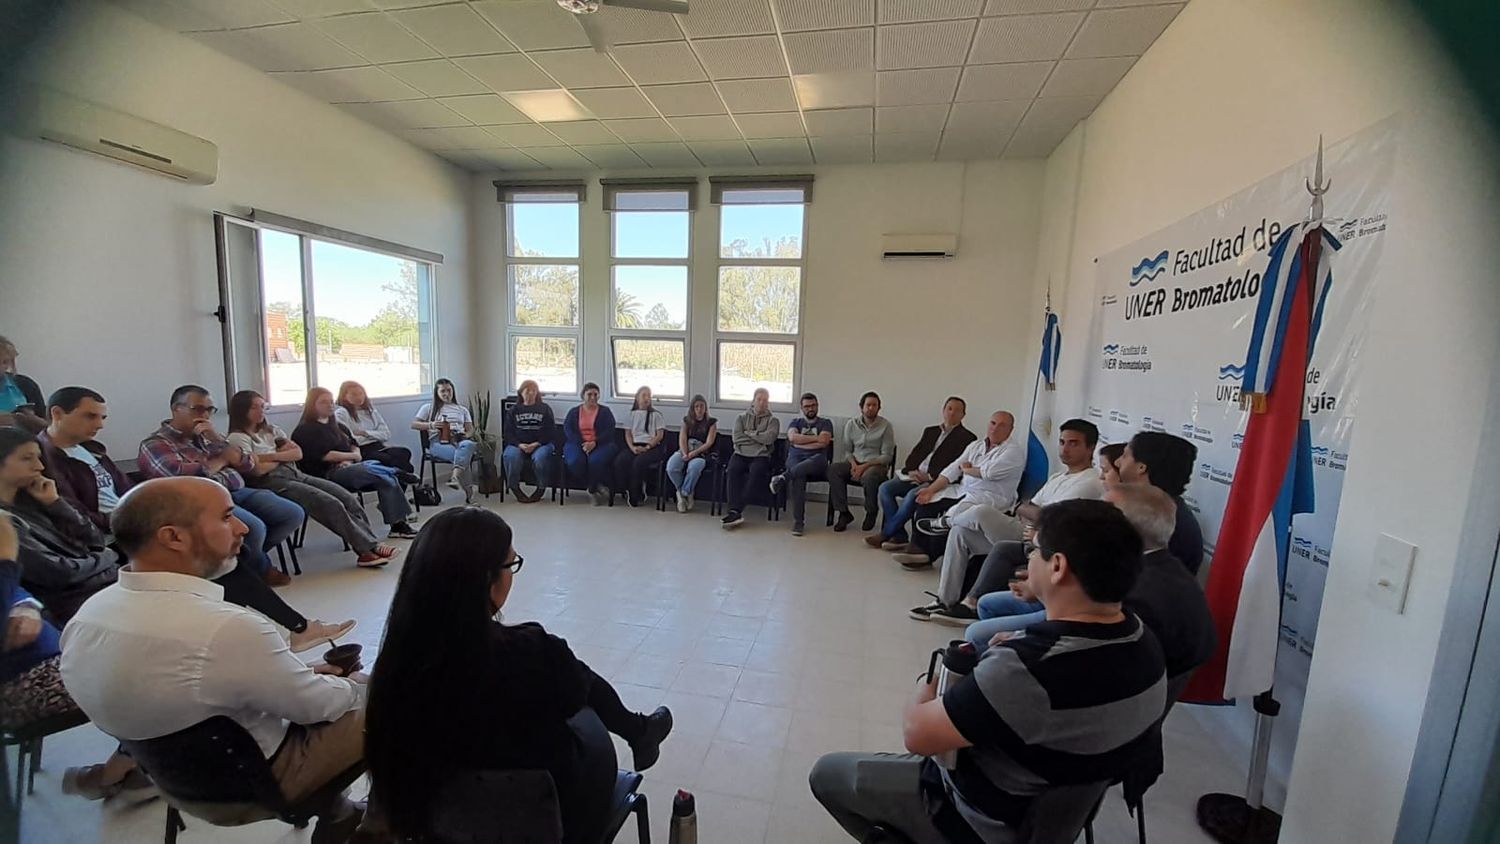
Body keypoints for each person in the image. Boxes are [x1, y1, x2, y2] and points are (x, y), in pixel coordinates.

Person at [809, 499, 1166, 843]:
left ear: (1057, 566)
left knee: (828, 774)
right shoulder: (1145, 642)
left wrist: (927, 685)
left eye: (1035, 550)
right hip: (1054, 816)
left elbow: (917, 736)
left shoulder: (1025, 669)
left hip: (976, 818)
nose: (1028, 560)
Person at [60, 477, 369, 843]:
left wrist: (298, 674)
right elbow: (319, 708)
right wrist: (353, 685)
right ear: (173, 537)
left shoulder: (87, 618)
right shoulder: (225, 628)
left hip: (177, 781)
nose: (242, 528)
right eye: (226, 517)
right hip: (256, 784)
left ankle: (340, 811)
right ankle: (378, 824)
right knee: (407, 696)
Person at [365, 507, 674, 843]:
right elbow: (573, 695)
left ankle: (639, 731)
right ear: (485, 579)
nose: (512, 574)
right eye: (510, 565)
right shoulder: (527, 651)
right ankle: (638, 730)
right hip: (551, 817)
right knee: (578, 693)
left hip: (438, 825)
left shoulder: (394, 665)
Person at [36, 389, 352, 649]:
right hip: (127, 532)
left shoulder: (94, 452)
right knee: (229, 550)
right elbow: (88, 512)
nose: (100, 424)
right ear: (57, 414)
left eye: (102, 417)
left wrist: (218, 444)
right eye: (90, 416)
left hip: (211, 501)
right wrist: (130, 521)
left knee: (263, 531)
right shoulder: (49, 457)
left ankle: (288, 626)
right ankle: (286, 626)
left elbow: (245, 464)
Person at [0, 514, 154, 803]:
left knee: (154, 649)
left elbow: (19, 590)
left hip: (53, 657)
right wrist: (6, 562)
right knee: (149, 671)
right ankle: (126, 769)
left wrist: (27, 606)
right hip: (19, 683)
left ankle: (138, 763)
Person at [915, 418, 1105, 626]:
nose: (1065, 448)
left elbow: (1051, 518)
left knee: (981, 512)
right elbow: (1028, 506)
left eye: (1074, 443)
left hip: (1041, 541)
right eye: (1062, 442)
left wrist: (1030, 512)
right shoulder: (1059, 477)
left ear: (1091, 448)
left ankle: (945, 522)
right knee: (960, 533)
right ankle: (945, 601)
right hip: (1025, 529)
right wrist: (1029, 511)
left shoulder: (1089, 481)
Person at [138, 385, 303, 587]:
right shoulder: (156, 443)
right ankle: (259, 568)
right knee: (253, 528)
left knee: (292, 513)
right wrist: (222, 460)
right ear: (176, 409)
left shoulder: (208, 437)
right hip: (201, 501)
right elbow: (181, 479)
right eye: (198, 409)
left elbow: (248, 463)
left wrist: (218, 441)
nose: (205, 415)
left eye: (210, 410)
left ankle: (242, 562)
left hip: (237, 490)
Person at [227, 391, 399, 568]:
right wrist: (280, 456)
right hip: (271, 482)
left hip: (295, 474)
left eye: (262, 406)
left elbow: (297, 453)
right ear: (242, 410)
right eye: (255, 407)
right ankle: (367, 550)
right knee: (330, 503)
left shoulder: (272, 430)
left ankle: (370, 545)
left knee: (347, 498)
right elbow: (255, 470)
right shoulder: (237, 438)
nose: (261, 411)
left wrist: (266, 457)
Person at [0, 427, 119, 624]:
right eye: (26, 458)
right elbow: (59, 573)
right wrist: (108, 557)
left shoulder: (36, 500)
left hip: (99, 585)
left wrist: (56, 504)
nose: (39, 466)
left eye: (38, 457)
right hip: (69, 605)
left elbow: (95, 538)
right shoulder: (4, 521)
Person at [891, 411, 1025, 570]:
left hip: (990, 496)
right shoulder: (976, 445)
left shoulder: (1013, 452)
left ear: (1011, 429)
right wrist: (930, 490)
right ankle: (918, 549)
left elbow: (988, 473)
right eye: (993, 423)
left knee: (956, 514)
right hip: (963, 490)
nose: (995, 429)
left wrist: (968, 470)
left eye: (1002, 425)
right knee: (926, 502)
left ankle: (930, 554)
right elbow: (953, 469)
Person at [294, 388, 418, 535]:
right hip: (326, 474)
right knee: (373, 469)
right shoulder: (304, 430)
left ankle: (398, 526)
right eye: (323, 402)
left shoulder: (338, 426)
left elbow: (354, 445)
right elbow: (325, 456)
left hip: (350, 468)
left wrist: (353, 458)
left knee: (385, 478)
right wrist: (351, 458)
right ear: (312, 405)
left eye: (331, 401)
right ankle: (397, 471)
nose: (330, 405)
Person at [865, 397, 976, 550]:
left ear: (963, 415)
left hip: (937, 481)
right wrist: (912, 471)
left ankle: (886, 533)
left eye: (957, 410)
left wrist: (929, 476)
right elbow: (913, 456)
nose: (952, 413)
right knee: (885, 488)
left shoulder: (968, 438)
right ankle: (899, 536)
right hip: (915, 476)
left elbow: (954, 468)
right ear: (943, 411)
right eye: (949, 409)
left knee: (912, 495)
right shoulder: (930, 431)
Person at [1114, 431, 1205, 574]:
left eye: (1124, 456)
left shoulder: (1162, 521)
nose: (1117, 462)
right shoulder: (1167, 511)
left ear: (1141, 468)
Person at [828, 392, 896, 533]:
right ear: (861, 407)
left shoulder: (885, 426)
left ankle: (871, 512)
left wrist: (864, 466)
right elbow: (847, 451)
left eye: (874, 405)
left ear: (879, 408)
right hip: (856, 462)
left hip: (876, 465)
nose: (871, 408)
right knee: (833, 469)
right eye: (868, 405)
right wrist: (854, 465)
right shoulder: (851, 424)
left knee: (868, 476)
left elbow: (887, 456)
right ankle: (844, 513)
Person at [768, 392, 833, 536]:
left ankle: (783, 478)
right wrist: (814, 440)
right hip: (796, 459)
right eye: (807, 406)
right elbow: (792, 437)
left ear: (817, 406)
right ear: (802, 408)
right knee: (799, 476)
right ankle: (799, 523)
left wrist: (800, 443)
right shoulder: (795, 422)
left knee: (817, 459)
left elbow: (824, 442)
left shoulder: (825, 423)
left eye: (813, 405)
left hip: (817, 461)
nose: (811, 409)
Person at [722, 388, 777, 530]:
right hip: (740, 453)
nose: (762, 403)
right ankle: (734, 511)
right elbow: (737, 437)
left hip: (760, 455)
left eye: (765, 400)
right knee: (732, 470)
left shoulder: (773, 421)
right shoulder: (741, 418)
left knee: (757, 473)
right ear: (753, 401)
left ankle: (736, 510)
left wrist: (750, 433)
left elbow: (769, 438)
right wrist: (759, 437)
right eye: (759, 399)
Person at [412, 378, 478, 497]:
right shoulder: (428, 407)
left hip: (459, 439)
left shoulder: (462, 409)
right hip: (438, 442)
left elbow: (471, 429)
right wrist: (431, 424)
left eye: (449, 390)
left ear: (453, 391)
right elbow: (414, 424)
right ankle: (469, 495)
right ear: (437, 393)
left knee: (469, 445)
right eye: (442, 391)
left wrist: (465, 435)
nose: (446, 394)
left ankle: (454, 477)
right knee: (462, 456)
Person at [335, 381, 414, 474]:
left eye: (361, 394)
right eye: (354, 394)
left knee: (404, 452)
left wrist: (366, 433)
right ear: (344, 396)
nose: (359, 397)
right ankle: (399, 475)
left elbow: (386, 434)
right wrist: (375, 434)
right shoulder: (341, 413)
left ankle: (398, 475)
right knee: (402, 465)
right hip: (362, 450)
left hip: (379, 446)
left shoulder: (371, 411)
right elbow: (350, 440)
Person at [562, 383, 618, 506]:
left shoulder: (605, 411)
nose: (593, 397)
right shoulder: (574, 412)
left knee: (595, 461)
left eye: (595, 394)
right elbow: (568, 429)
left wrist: (595, 442)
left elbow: (610, 430)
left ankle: (591, 490)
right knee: (574, 461)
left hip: (602, 444)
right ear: (583, 395)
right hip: (577, 443)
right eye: (589, 394)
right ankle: (595, 485)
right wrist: (583, 443)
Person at [501, 379, 556, 499]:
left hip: (541, 444)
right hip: (518, 445)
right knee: (511, 457)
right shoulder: (513, 411)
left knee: (541, 458)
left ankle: (541, 488)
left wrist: (536, 444)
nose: (531, 393)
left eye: (534, 391)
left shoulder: (545, 409)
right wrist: (520, 445)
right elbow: (508, 433)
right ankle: (514, 488)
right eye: (528, 391)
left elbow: (551, 432)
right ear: (521, 393)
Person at [613, 386, 664, 508]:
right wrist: (632, 448)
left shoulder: (656, 415)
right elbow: (628, 434)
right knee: (620, 461)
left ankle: (636, 495)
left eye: (649, 396)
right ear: (637, 398)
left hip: (651, 447)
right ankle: (628, 488)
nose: (647, 398)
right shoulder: (631, 415)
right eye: (644, 395)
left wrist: (647, 447)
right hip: (634, 445)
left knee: (638, 462)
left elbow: (659, 435)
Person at [666, 395, 717, 513]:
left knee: (694, 467)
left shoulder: (711, 423)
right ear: (693, 409)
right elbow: (682, 438)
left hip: (700, 452)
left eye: (702, 406)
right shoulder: (686, 421)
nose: (699, 409)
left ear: (705, 408)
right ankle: (682, 492)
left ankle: (684, 493)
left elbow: (709, 443)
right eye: (696, 406)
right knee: (671, 467)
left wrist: (694, 453)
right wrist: (685, 453)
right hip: (685, 449)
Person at [0, 336, 46, 434]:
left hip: (25, 443)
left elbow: (49, 426)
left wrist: (32, 420)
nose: (1, 367)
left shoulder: (25, 384)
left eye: (5, 362)